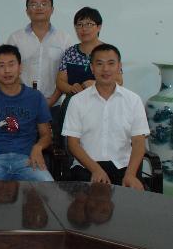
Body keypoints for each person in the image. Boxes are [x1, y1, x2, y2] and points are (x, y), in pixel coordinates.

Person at [62, 43, 149, 191]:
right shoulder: (77, 101)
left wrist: (130, 175)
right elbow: (73, 144)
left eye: (111, 63)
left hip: (123, 167)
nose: (106, 69)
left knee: (133, 200)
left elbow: (139, 142)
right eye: (100, 64)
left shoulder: (133, 100)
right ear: (92, 68)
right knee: (88, 198)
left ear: (119, 67)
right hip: (86, 167)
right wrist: (96, 170)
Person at [0, 45, 54, 182]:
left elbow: (46, 135)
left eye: (11, 64)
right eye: (1, 66)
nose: (7, 70)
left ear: (20, 67)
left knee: (49, 187)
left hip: (28, 160)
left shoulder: (36, 97)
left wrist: (38, 147)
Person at [5, 0, 73, 123]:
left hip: (54, 105)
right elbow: (10, 71)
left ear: (52, 9)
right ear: (27, 11)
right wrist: (25, 97)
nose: (39, 8)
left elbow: (66, 74)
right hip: (21, 104)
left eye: (44, 4)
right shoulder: (15, 38)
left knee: (53, 137)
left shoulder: (64, 39)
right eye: (33, 4)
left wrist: (52, 100)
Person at [56, 6, 124, 99]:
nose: (84, 29)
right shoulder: (70, 52)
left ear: (99, 27)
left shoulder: (108, 52)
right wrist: (71, 88)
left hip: (103, 101)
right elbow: (60, 81)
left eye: (89, 24)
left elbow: (119, 81)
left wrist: (96, 84)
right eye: (80, 24)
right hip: (74, 101)